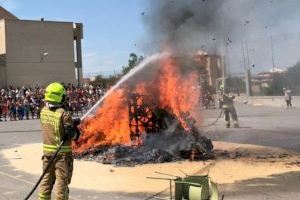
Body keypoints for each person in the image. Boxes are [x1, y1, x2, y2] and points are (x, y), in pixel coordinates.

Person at [38, 82, 80, 200]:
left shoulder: (43, 111)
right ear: (60, 97)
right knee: (62, 186)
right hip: (62, 156)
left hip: (47, 155)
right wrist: (75, 127)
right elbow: (73, 136)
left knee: (46, 183)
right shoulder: (64, 114)